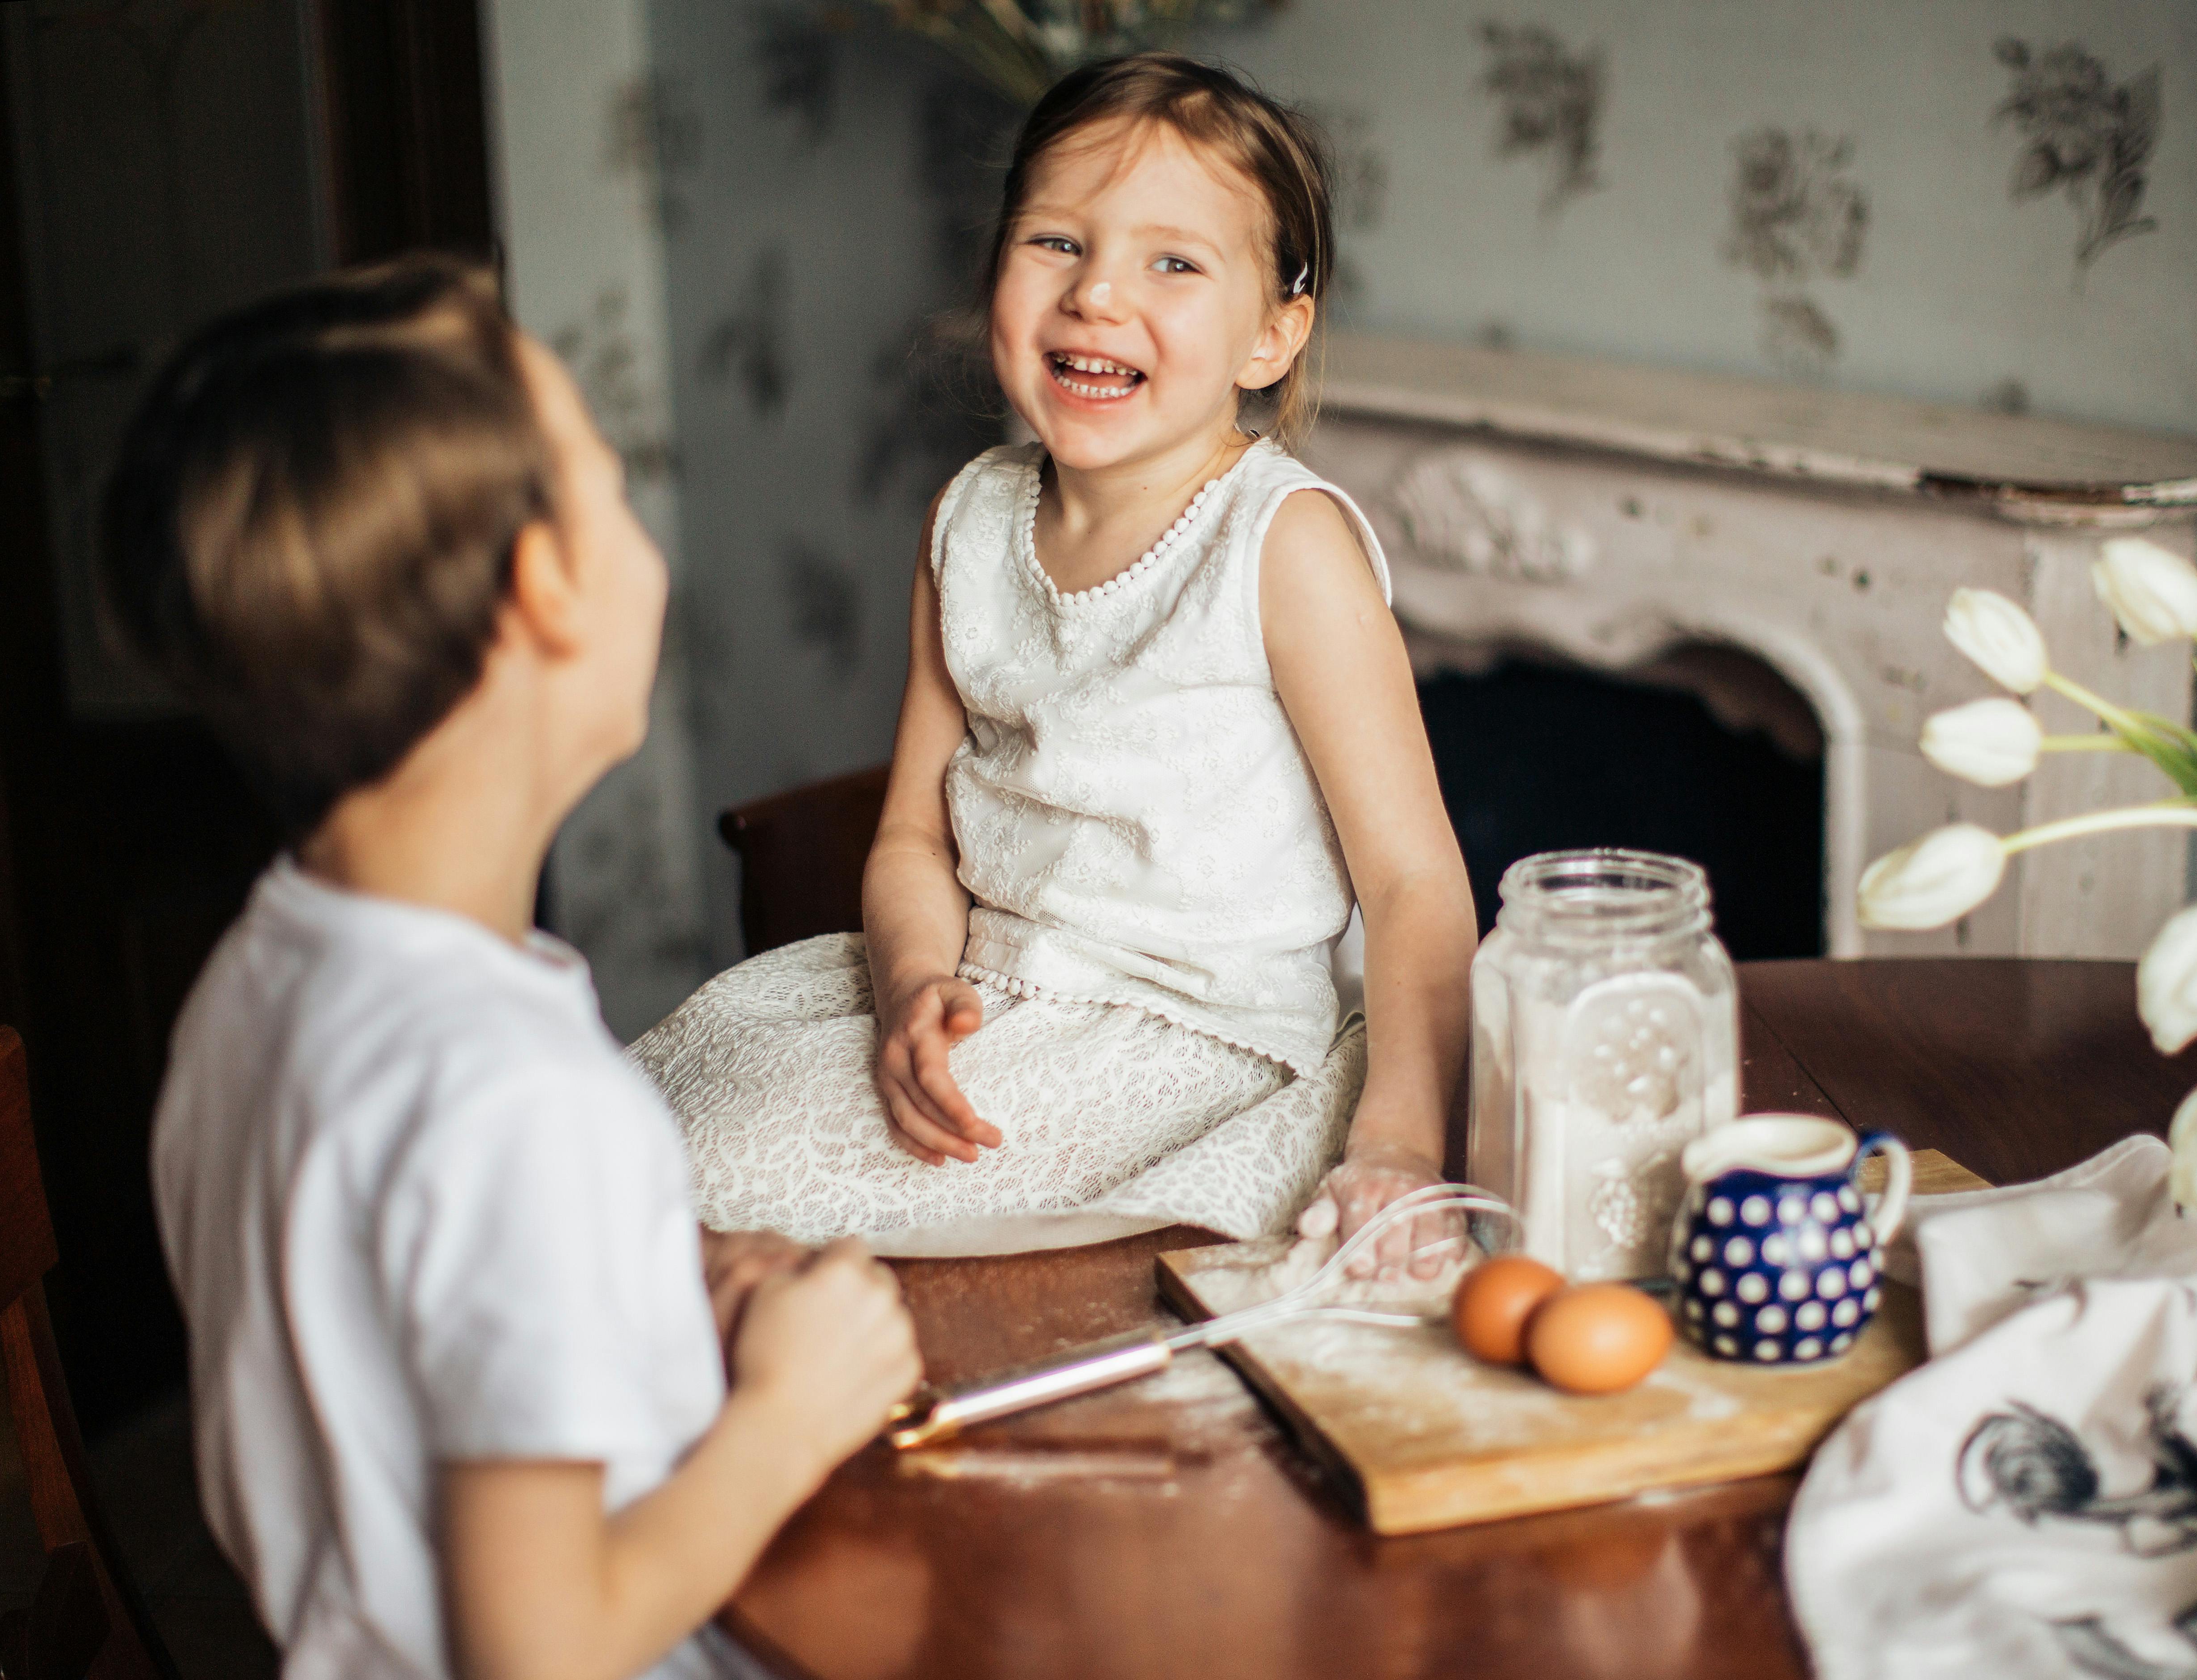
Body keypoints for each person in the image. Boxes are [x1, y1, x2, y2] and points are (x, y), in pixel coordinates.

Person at [106, 256, 921, 1680]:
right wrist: (790, 1414)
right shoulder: (525, 1102)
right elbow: (536, 1653)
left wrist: (657, 1276)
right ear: (546, 586)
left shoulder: (252, 976)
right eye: (607, 482)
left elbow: (397, 1304)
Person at [636, 53, 1476, 1272]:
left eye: (1173, 263)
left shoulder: (1280, 546)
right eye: (1056, 243)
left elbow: (1410, 880)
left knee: (709, 1186)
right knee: (634, 1113)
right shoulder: (970, 518)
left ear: (1270, 335)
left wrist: (1396, 1134)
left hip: (1189, 1036)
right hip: (985, 982)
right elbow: (915, 836)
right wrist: (915, 983)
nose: (1096, 297)